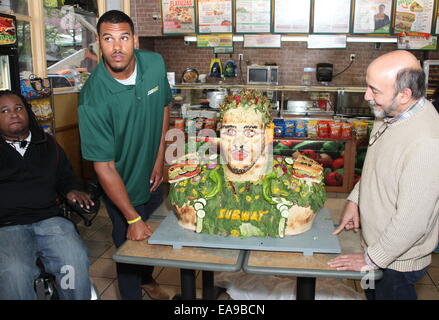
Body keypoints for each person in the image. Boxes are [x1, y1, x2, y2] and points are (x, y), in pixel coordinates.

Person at [328, 50, 439, 300]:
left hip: (394, 264)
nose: (367, 96)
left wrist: (370, 259)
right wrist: (355, 200)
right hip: (375, 248)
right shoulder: (389, 114)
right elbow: (374, 165)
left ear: (404, 95)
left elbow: (412, 223)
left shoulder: (426, 143)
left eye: (374, 90)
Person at [78, 10, 171, 300]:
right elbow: (103, 167)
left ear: (135, 39)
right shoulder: (92, 99)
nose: (117, 48)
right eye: (108, 39)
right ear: (98, 43)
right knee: (128, 247)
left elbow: (165, 107)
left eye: (124, 38)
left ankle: (147, 278)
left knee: (150, 239)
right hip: (121, 186)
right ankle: (133, 291)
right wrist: (131, 218)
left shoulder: (154, 63)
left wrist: (159, 158)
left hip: (152, 176)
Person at [0, 90, 93, 300]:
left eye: (18, 108)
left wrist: (71, 189)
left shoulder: (48, 143)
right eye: (4, 111)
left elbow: (65, 177)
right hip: (7, 225)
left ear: (27, 112)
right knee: (14, 273)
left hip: (50, 220)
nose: (13, 114)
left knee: (73, 260)